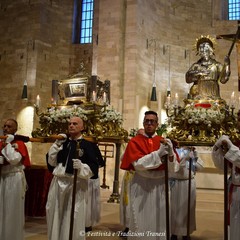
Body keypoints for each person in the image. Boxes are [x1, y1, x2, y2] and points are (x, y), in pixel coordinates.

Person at [120, 110, 178, 239]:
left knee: (159, 219)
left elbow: (173, 168)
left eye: (152, 121)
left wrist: (170, 155)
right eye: (147, 121)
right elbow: (138, 164)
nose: (149, 124)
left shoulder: (163, 142)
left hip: (160, 187)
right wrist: (158, 154)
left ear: (157, 124)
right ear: (143, 123)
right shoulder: (134, 142)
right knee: (140, 220)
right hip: (141, 186)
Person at [46, 116, 99, 240]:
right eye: (69, 123)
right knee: (54, 212)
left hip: (75, 183)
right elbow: (52, 162)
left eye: (75, 124)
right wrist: (55, 146)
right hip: (58, 182)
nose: (71, 126)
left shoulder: (87, 145)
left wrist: (81, 167)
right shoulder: (62, 142)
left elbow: (94, 168)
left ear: (82, 127)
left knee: (72, 215)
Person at [0, 118, 31, 240]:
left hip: (14, 178)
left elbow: (14, 160)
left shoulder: (20, 143)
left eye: (9, 127)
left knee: (12, 209)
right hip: (2, 177)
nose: (6, 128)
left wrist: (8, 144)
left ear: (15, 130)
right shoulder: (1, 142)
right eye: (4, 126)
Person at [169, 146, 204, 240]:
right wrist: (184, 158)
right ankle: (174, 233)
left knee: (188, 209)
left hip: (188, 183)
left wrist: (196, 156)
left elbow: (200, 167)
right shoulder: (173, 151)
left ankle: (186, 233)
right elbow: (176, 168)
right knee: (174, 209)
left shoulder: (191, 153)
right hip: (176, 184)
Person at [212, 135, 240, 240]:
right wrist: (217, 148)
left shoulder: (234, 146)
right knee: (234, 223)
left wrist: (230, 146)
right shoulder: (237, 144)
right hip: (235, 190)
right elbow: (222, 165)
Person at [186, 35, 230, 100]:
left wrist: (227, 65)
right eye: (201, 49)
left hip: (213, 92)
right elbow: (188, 79)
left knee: (214, 107)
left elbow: (223, 80)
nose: (203, 51)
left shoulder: (217, 65)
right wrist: (198, 72)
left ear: (211, 50)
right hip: (199, 92)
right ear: (199, 51)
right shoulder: (196, 65)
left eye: (206, 48)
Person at [119, 128, 145, 236]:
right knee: (126, 202)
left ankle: (138, 227)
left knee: (137, 203)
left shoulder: (146, 147)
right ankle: (127, 226)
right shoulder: (131, 145)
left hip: (141, 178)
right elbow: (122, 158)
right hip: (129, 176)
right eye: (138, 135)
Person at [85, 143, 105, 232]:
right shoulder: (92, 145)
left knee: (88, 201)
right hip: (89, 177)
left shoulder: (92, 145)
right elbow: (100, 162)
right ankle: (88, 223)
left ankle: (87, 223)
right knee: (89, 201)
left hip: (90, 178)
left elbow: (100, 162)